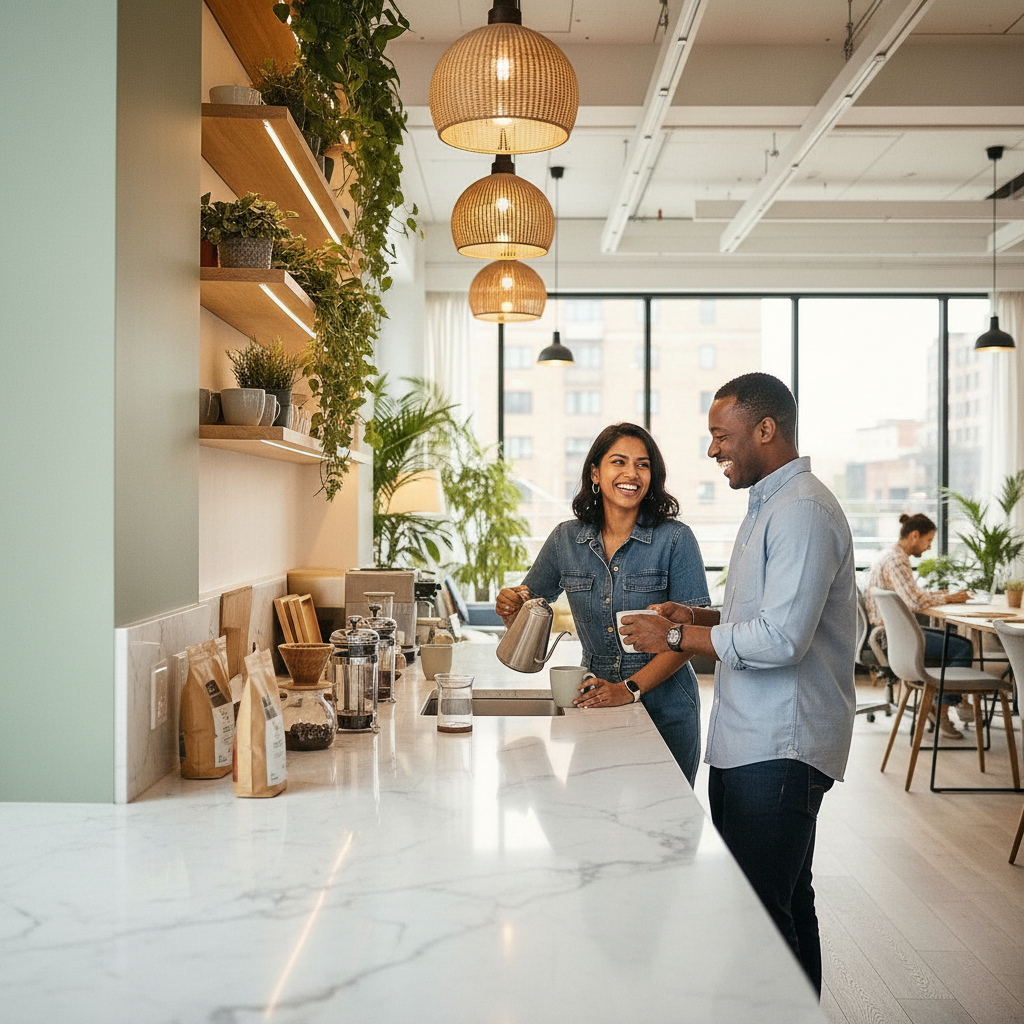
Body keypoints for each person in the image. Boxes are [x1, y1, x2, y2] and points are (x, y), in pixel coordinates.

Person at [620, 372, 856, 997]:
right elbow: (763, 617)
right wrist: (696, 617)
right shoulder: (771, 507)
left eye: (721, 436)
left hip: (780, 745)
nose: (713, 450)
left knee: (757, 920)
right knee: (783, 907)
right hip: (752, 742)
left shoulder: (801, 510)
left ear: (766, 429)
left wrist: (673, 641)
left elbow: (781, 640)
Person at [494, 423, 710, 785]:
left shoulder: (675, 539)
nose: (631, 474)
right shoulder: (566, 539)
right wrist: (511, 607)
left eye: (642, 464)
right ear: (595, 472)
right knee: (593, 820)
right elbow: (527, 612)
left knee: (664, 828)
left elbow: (690, 637)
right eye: (618, 462)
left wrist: (628, 690)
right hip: (593, 700)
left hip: (665, 706)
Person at [864, 512, 973, 739]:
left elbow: (912, 595)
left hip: (890, 633)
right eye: (928, 540)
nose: (929, 546)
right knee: (962, 647)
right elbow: (913, 601)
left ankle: (949, 700)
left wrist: (944, 595)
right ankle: (942, 708)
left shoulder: (889, 555)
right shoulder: (897, 560)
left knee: (957, 641)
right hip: (893, 637)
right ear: (915, 535)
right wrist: (949, 599)